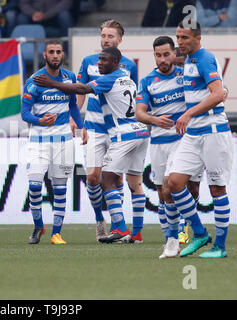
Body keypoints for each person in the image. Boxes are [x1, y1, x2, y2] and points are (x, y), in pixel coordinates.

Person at [34, 47, 150, 245]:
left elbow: (82, 89)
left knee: (106, 179)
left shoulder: (109, 79)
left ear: (115, 63)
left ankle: (120, 229)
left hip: (124, 134)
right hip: (141, 132)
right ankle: (136, 234)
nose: (99, 64)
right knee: (134, 182)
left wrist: (53, 83)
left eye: (104, 60)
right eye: (99, 60)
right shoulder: (126, 77)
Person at [167, 21, 234, 258]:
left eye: (184, 38)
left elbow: (218, 93)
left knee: (216, 188)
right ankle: (199, 233)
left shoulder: (204, 58)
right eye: (178, 37)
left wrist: (187, 113)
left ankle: (220, 247)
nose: (180, 42)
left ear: (198, 38)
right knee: (174, 182)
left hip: (214, 130)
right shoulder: (190, 60)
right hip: (194, 133)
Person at [135, 36, 205, 255]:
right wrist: (156, 120)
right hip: (158, 143)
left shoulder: (186, 75)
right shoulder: (147, 81)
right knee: (163, 193)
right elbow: (139, 113)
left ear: (175, 53)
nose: (163, 59)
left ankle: (183, 230)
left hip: (185, 140)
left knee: (182, 187)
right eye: (158, 55)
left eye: (167, 54)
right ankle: (171, 239)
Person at [75, 19, 141, 243]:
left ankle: (118, 226)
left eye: (110, 36)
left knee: (115, 178)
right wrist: (76, 119)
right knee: (93, 177)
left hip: (117, 130)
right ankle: (99, 219)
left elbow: (132, 97)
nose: (105, 40)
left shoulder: (129, 66)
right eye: (103, 35)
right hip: (93, 126)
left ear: (120, 40)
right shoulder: (88, 62)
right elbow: (81, 91)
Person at [21, 39, 85, 245]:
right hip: (38, 141)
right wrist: (38, 120)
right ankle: (38, 225)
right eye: (51, 52)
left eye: (58, 52)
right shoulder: (34, 81)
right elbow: (24, 113)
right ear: (45, 56)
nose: (55, 55)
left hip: (63, 141)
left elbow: (73, 106)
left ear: (62, 54)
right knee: (34, 185)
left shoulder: (69, 78)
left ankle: (56, 233)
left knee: (60, 188)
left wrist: (81, 127)